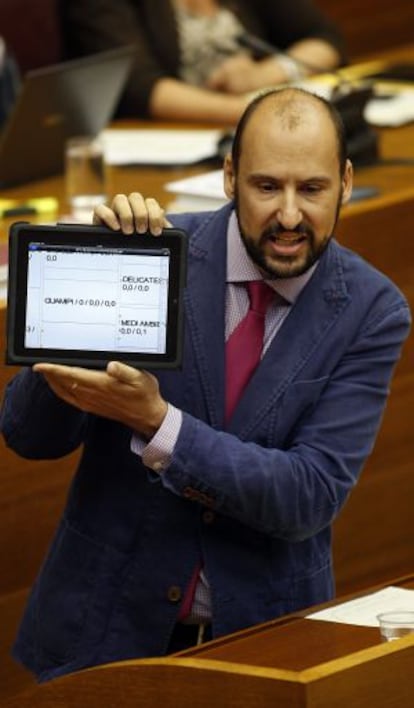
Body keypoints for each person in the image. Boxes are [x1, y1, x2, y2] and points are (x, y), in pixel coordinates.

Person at [1, 87, 410, 682]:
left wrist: (159, 424)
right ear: (229, 177)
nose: (290, 216)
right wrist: (95, 282)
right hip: (103, 640)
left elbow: (308, 495)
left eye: (312, 189)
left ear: (346, 182)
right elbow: (27, 433)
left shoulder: (373, 311)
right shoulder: (151, 252)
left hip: (264, 649)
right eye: (267, 187)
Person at [60, 0, 346, 123]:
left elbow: (325, 38)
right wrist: (250, 111)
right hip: (166, 140)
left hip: (254, 126)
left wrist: (266, 74)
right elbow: (138, 88)